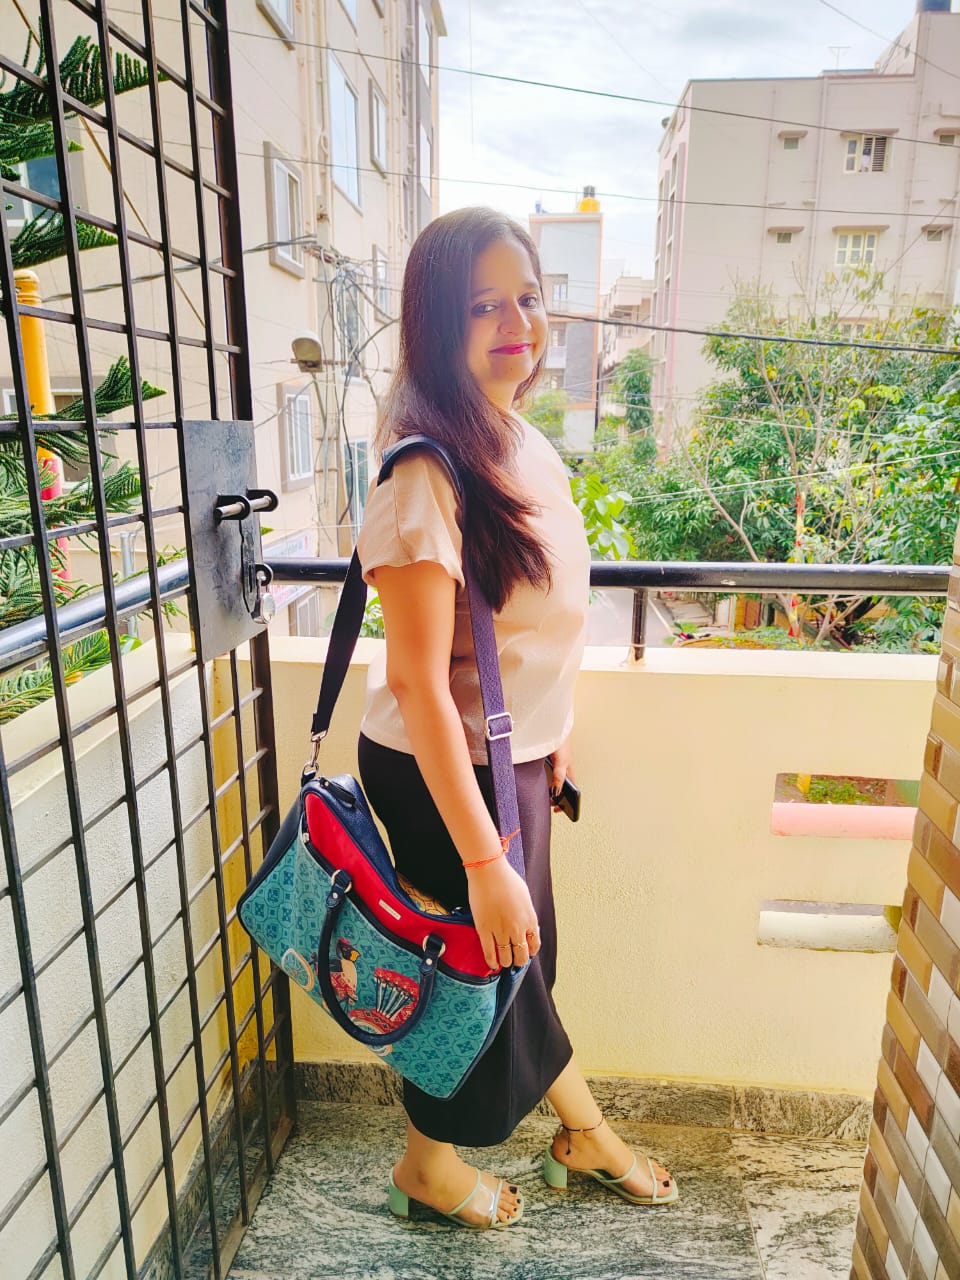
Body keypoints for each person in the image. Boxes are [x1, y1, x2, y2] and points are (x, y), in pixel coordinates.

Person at [355, 207, 677, 1229]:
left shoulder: (516, 438)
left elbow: (529, 619)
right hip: (441, 767)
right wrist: (485, 858)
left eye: (529, 298)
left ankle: (540, 1142)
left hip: (512, 756)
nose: (516, 323)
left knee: (510, 967)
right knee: (482, 970)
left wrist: (552, 725)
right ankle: (518, 1149)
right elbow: (419, 683)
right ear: (434, 320)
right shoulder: (424, 469)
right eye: (483, 304)